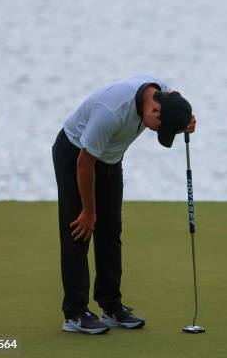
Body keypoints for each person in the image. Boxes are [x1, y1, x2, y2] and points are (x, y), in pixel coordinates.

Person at [51, 74, 196, 334]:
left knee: (111, 231)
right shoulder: (112, 111)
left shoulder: (163, 94)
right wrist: (89, 210)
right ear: (153, 109)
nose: (155, 131)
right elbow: (84, 164)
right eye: (158, 127)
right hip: (76, 155)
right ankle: (74, 313)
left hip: (110, 158)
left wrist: (185, 119)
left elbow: (178, 98)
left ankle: (111, 305)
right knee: (79, 230)